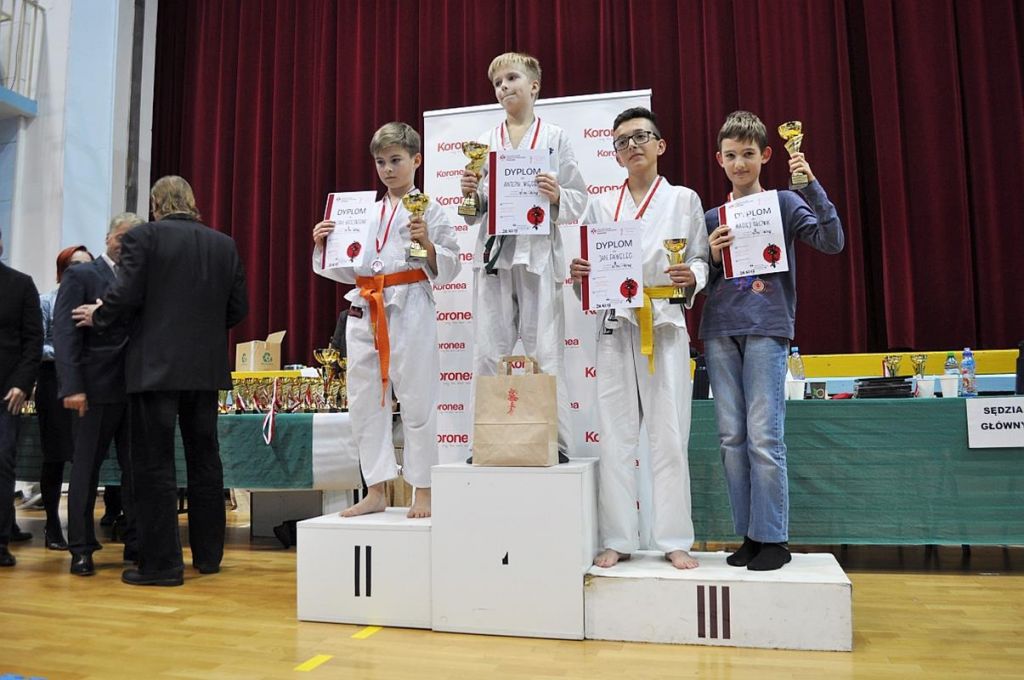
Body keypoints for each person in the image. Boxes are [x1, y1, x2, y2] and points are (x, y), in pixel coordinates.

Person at [73, 176, 248, 586]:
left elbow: (125, 296)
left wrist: (100, 315)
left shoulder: (143, 238)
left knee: (154, 465)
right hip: (204, 369)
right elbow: (237, 309)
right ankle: (208, 556)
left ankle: (162, 565)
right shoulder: (223, 244)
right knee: (205, 461)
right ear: (192, 202)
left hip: (154, 369)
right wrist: (202, 331)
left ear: (155, 205)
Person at [701, 111, 845, 571]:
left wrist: (809, 184)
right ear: (719, 160)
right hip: (719, 330)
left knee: (764, 436)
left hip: (767, 326)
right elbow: (698, 281)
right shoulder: (712, 217)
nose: (739, 164)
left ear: (765, 155)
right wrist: (712, 255)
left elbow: (832, 240)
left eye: (747, 154)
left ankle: (774, 539)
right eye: (730, 156)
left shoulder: (784, 202)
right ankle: (749, 534)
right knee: (731, 438)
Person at [570, 107, 709, 569]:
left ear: (660, 145)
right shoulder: (599, 206)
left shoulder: (683, 200)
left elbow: (700, 259)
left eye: (641, 137)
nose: (632, 146)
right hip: (614, 326)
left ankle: (674, 538)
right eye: (622, 141)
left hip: (664, 324)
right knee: (615, 437)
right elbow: (587, 280)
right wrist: (581, 276)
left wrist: (694, 275)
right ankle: (618, 537)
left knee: (669, 435)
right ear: (615, 154)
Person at [313, 121, 460, 519]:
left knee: (417, 401)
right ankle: (376, 489)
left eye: (396, 160)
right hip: (365, 307)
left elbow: (449, 267)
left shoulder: (430, 209)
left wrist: (427, 243)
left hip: (410, 306)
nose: (388, 169)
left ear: (416, 160)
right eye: (381, 162)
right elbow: (347, 269)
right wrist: (326, 244)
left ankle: (423, 490)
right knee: (365, 403)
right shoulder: (363, 212)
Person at [460, 52, 587, 460]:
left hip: (538, 254)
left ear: (534, 86)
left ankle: (555, 443)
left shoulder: (555, 138)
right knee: (487, 351)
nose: (504, 87)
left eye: (512, 78)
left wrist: (557, 194)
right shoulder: (484, 143)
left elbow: (579, 198)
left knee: (546, 351)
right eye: (498, 83)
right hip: (494, 256)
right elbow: (475, 212)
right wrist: (471, 195)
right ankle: (483, 441)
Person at [54, 213, 144, 576]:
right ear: (108, 237)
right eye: (121, 237)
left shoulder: (142, 277)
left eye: (133, 239)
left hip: (136, 387)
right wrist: (72, 386)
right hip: (93, 389)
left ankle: (136, 544)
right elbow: (64, 334)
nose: (125, 244)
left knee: (136, 470)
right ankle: (81, 548)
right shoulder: (81, 275)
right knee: (86, 469)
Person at [36, 245, 94, 551]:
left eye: (87, 264)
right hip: (54, 383)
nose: (81, 270)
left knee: (90, 456)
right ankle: (52, 525)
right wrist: (69, 352)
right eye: (74, 264)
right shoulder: (46, 300)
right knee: (55, 456)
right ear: (62, 269)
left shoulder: (98, 301)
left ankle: (93, 524)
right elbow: (37, 344)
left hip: (92, 383)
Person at [0, 232, 43, 567]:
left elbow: (33, 341)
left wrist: (21, 384)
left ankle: (0, 541)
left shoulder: (20, 284)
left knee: (2, 464)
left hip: (6, 393)